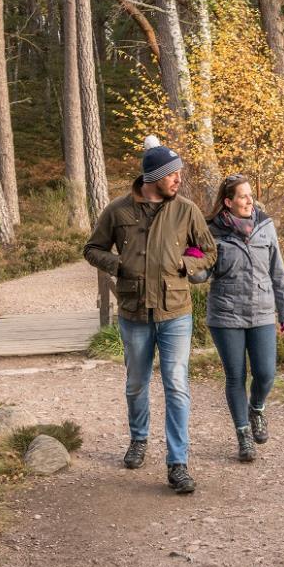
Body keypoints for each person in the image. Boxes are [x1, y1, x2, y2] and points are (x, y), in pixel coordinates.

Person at [83, 136, 216, 494]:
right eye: (173, 175)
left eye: (179, 175)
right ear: (153, 177)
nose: (178, 180)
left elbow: (209, 252)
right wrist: (119, 265)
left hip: (175, 310)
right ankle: (139, 439)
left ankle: (178, 463)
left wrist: (185, 264)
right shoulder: (118, 211)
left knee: (176, 383)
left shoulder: (186, 210)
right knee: (137, 382)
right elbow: (92, 248)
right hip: (133, 311)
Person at [191, 174, 284, 462]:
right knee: (235, 376)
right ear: (228, 202)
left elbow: (278, 272)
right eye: (243, 196)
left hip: (262, 311)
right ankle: (243, 435)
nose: (250, 200)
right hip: (225, 315)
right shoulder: (211, 233)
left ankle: (257, 408)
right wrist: (192, 257)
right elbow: (200, 276)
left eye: (250, 195)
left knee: (266, 373)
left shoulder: (265, 227)